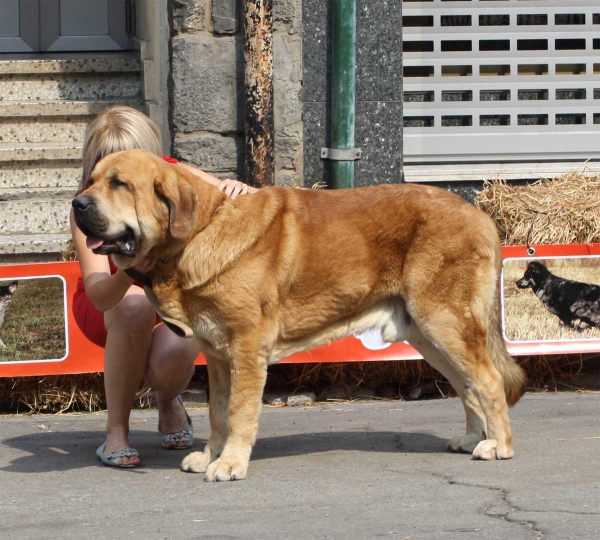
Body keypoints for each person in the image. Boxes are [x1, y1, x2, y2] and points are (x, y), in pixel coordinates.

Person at [70, 106, 257, 468]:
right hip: (111, 308)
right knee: (136, 304)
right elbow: (99, 296)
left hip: (167, 301)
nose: (114, 173)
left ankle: (168, 400)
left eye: (123, 174)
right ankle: (115, 434)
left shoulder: (171, 176)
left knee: (184, 330)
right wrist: (132, 272)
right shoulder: (85, 205)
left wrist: (241, 190)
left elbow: (229, 200)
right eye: (105, 167)